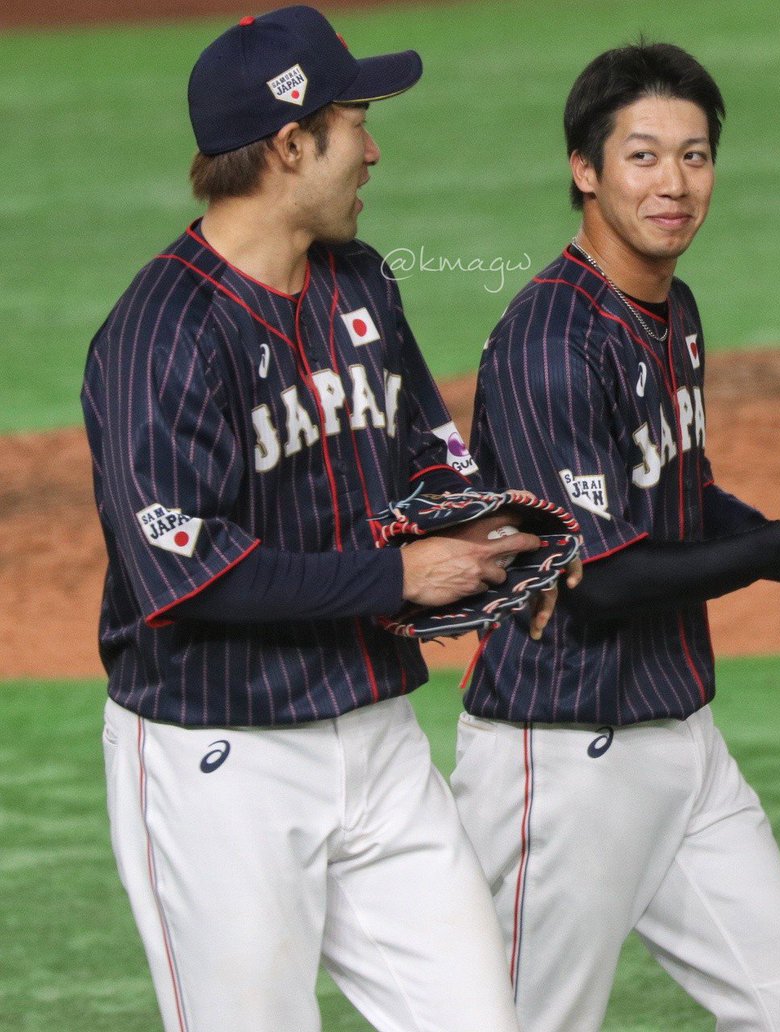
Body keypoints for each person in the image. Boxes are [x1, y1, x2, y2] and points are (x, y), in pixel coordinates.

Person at [81, 7, 553, 1030]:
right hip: (221, 761)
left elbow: (430, 461)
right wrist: (400, 579)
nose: (374, 149)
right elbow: (190, 574)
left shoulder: (361, 282)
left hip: (378, 741)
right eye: (355, 122)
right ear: (292, 145)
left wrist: (505, 543)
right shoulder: (161, 336)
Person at [450, 42, 780, 1032]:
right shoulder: (549, 346)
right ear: (585, 168)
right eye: (645, 156)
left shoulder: (672, 310)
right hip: (563, 759)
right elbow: (597, 577)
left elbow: (678, 491)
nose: (675, 184)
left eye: (696, 157)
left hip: (684, 746)